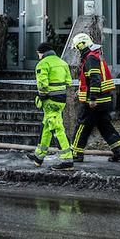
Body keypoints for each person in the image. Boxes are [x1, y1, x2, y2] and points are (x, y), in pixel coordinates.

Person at [69, 33, 120, 163]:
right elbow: (90, 80)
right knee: (104, 126)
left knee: (82, 126)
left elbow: (95, 79)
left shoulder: (90, 58)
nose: (77, 51)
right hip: (104, 100)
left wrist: (92, 98)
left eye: (77, 48)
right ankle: (119, 150)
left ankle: (76, 153)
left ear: (81, 45)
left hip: (94, 102)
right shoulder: (95, 56)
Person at [27, 42, 75, 170]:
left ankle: (67, 160)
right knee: (47, 126)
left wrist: (42, 96)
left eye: (38, 54)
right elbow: (69, 82)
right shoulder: (62, 62)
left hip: (49, 101)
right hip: (61, 100)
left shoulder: (43, 64)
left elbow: (42, 84)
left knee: (56, 129)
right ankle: (39, 156)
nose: (38, 57)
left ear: (42, 53)